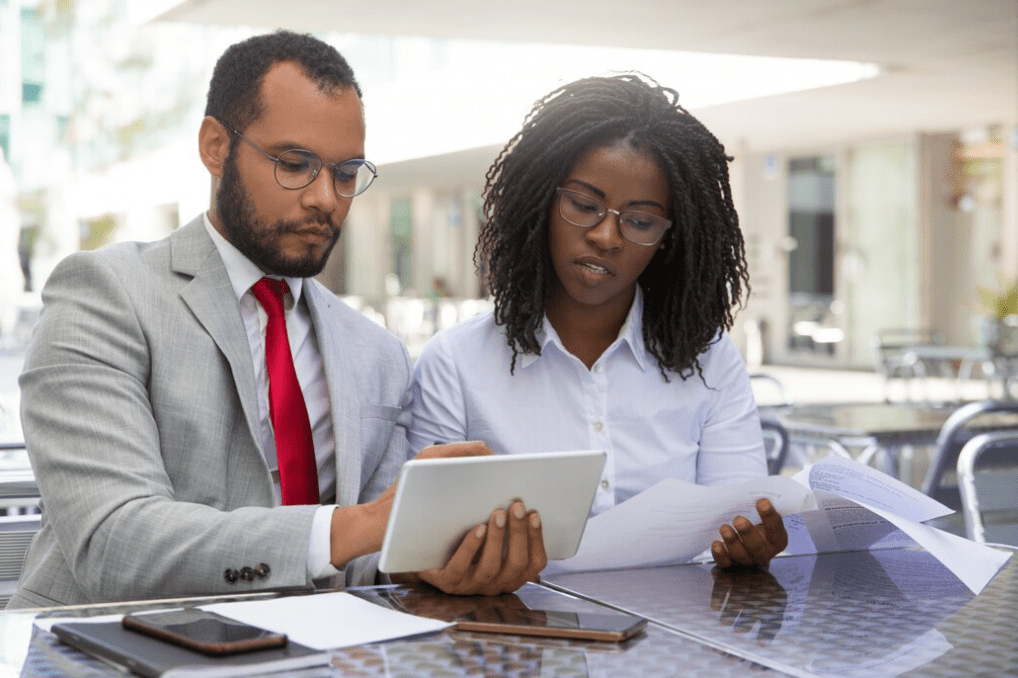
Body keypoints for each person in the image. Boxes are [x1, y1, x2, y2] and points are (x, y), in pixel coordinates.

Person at [8, 30, 544, 609]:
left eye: (345, 173)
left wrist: (432, 563)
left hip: (322, 645)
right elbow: (114, 545)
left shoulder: (377, 352)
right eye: (295, 165)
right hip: (105, 642)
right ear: (216, 147)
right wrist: (364, 525)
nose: (326, 198)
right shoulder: (105, 294)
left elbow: (363, 557)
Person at [410, 73, 787, 570]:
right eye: (584, 206)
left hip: (677, 616)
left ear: (668, 239)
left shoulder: (711, 362)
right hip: (514, 617)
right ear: (540, 204)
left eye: (641, 221)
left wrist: (749, 548)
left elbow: (736, 516)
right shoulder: (456, 363)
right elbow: (422, 550)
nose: (607, 237)